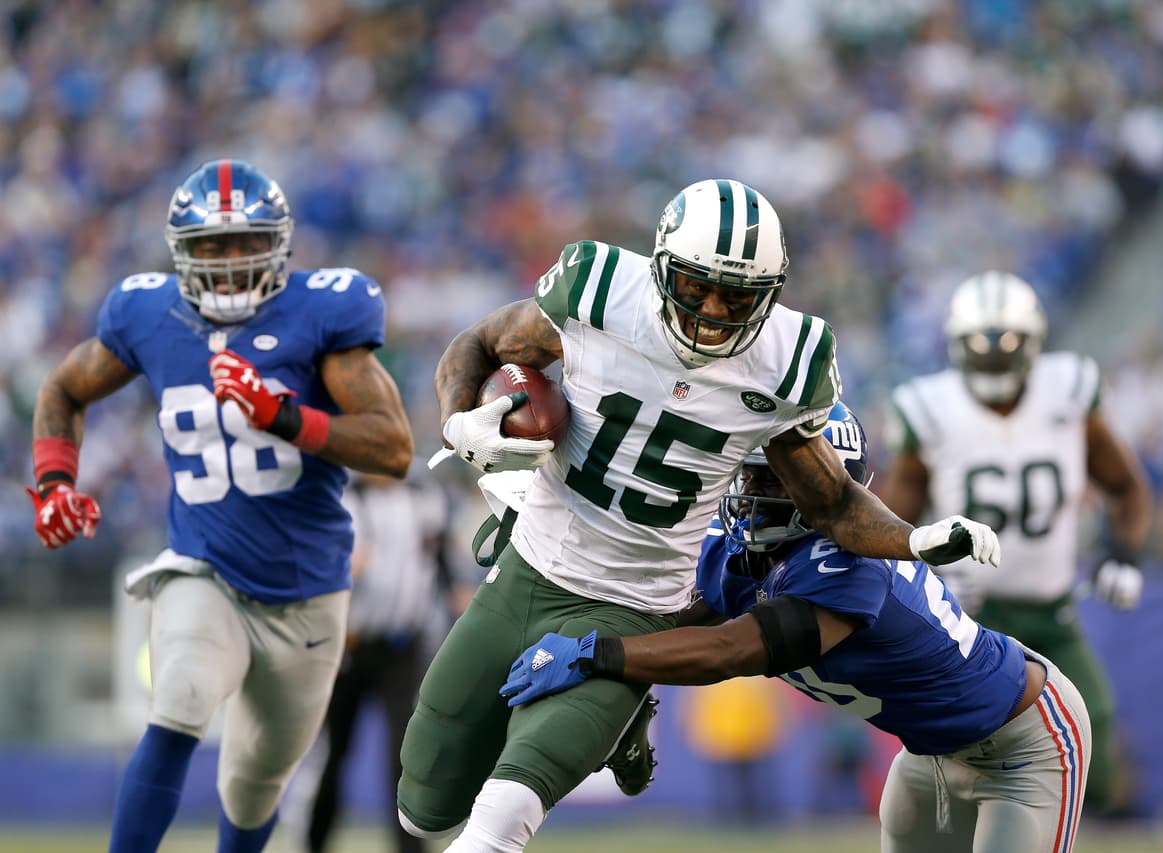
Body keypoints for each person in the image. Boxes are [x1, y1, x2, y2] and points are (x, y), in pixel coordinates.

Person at [397, 178, 1001, 851]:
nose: (713, 309)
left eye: (736, 295)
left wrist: (913, 539)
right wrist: (459, 424)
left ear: (771, 293)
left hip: (635, 604)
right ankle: (620, 725)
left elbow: (829, 501)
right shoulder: (598, 288)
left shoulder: (789, 359)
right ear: (661, 268)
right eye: (696, 286)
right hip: (527, 568)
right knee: (422, 808)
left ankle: (619, 708)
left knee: (505, 812)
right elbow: (480, 342)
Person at [25, 159, 414, 853]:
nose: (230, 262)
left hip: (308, 592)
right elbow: (63, 388)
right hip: (205, 568)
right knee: (179, 698)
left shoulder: (323, 313)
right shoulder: (148, 313)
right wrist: (56, 482)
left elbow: (393, 448)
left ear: (279, 245)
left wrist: (284, 416)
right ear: (182, 253)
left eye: (245, 242)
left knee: (254, 785)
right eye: (211, 245)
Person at [502, 404, 1092, 853]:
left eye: (776, 480)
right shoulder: (744, 546)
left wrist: (595, 654)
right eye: (752, 475)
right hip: (926, 757)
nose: (753, 493)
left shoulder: (850, 569)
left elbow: (729, 651)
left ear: (829, 487)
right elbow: (669, 620)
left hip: (1021, 745)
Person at [876, 270, 1151, 811]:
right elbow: (892, 530)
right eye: (980, 348)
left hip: (1053, 612)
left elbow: (1126, 486)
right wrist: (931, 579)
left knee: (1093, 749)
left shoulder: (1068, 393)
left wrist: (1124, 554)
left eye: (1006, 346)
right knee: (963, 754)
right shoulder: (930, 411)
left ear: (1034, 343)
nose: (994, 360)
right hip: (968, 617)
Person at [303, 470, 466, 853]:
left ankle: (409, 850)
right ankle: (313, 842)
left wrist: (456, 590)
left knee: (405, 756)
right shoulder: (344, 498)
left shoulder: (425, 495)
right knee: (333, 756)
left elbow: (439, 551)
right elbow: (311, 563)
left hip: (402, 647)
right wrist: (340, 568)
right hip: (350, 647)